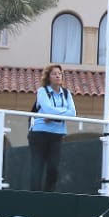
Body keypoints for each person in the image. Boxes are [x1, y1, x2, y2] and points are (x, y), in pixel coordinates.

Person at [27, 64, 77, 192]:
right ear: (48, 77)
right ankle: (34, 195)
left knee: (53, 167)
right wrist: (61, 112)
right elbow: (48, 109)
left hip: (57, 134)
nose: (58, 76)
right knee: (37, 166)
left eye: (59, 73)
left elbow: (72, 113)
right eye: (54, 73)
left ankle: (48, 195)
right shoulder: (42, 91)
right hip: (39, 133)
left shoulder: (66, 94)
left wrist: (52, 116)